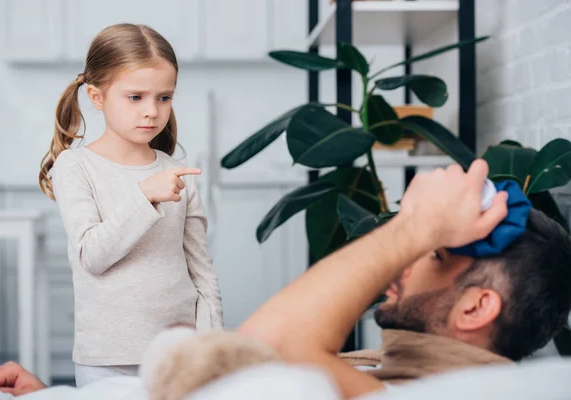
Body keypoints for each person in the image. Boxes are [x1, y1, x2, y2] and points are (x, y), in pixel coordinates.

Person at [238, 160, 571, 398]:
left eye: (435, 254)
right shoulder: (391, 371)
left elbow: (263, 353)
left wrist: (414, 227)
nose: (403, 264)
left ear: (476, 308)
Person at [37, 23, 223, 387]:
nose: (152, 111)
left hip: (179, 354)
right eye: (135, 97)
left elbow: (202, 271)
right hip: (107, 358)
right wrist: (144, 195)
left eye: (164, 97)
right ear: (97, 96)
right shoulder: (75, 167)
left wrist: (212, 342)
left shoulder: (177, 173)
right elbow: (92, 254)